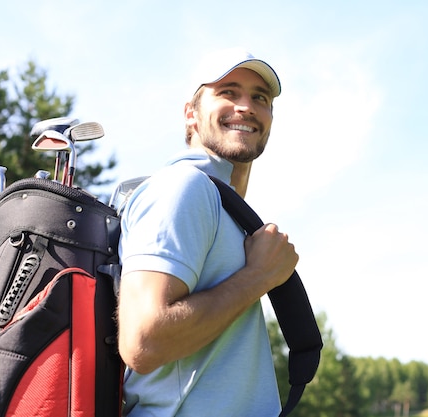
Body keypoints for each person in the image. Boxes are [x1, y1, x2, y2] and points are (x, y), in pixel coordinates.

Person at [117, 48, 298, 416]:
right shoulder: (185, 187)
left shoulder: (220, 204)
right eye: (228, 92)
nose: (246, 106)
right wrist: (258, 276)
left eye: (259, 97)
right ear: (191, 115)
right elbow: (144, 341)